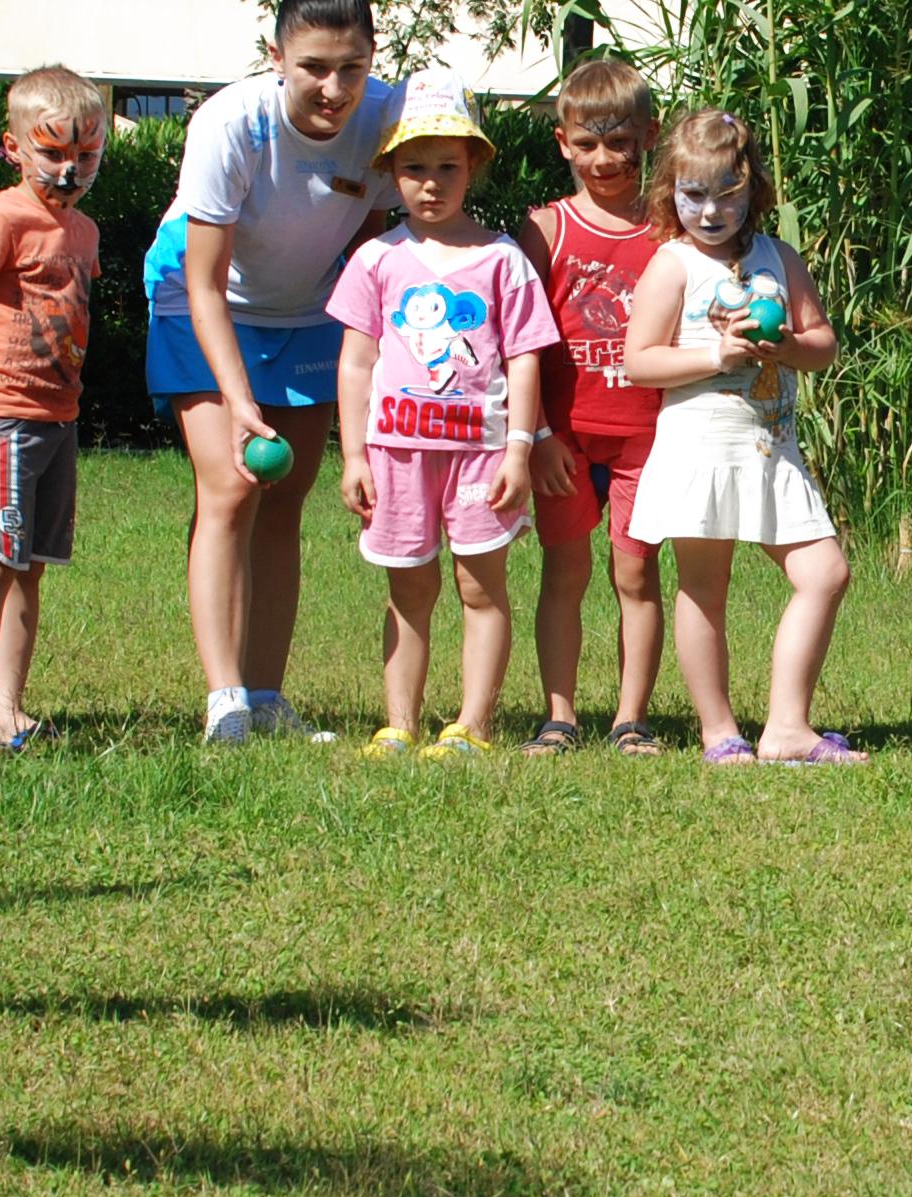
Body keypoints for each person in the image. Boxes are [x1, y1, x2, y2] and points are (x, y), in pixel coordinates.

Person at [141, 0, 404, 744]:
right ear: (276, 55)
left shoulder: (389, 116)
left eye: (350, 67)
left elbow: (377, 241)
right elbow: (204, 281)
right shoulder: (230, 125)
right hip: (200, 303)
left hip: (309, 312)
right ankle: (223, 701)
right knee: (230, 486)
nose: (333, 87)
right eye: (313, 68)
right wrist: (238, 398)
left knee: (285, 499)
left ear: (371, 58)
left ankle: (264, 696)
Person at [620, 109, 860, 764]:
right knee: (705, 586)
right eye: (694, 193)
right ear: (671, 190)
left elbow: (822, 346)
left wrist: (783, 344)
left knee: (826, 572)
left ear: (753, 188)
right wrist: (717, 358)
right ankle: (718, 731)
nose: (711, 209)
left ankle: (787, 728)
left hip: (770, 444)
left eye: (728, 191)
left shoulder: (776, 257)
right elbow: (639, 361)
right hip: (701, 441)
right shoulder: (672, 265)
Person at [329, 76, 560, 756]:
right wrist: (352, 455)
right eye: (413, 168)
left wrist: (519, 450)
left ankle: (474, 725)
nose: (431, 184)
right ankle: (399, 723)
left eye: (447, 168)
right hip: (395, 453)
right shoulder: (376, 259)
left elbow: (524, 360)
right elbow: (356, 362)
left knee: (479, 586)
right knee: (410, 590)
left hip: (483, 456)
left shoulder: (503, 261)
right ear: (390, 173)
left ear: (475, 166)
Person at [0, 66, 108, 754]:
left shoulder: (84, 232)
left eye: (86, 155)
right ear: (14, 149)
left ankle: (8, 708)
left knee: (29, 565)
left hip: (56, 417)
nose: (70, 170)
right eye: (54, 153)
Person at [516, 57, 669, 753]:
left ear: (649, 136)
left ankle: (631, 718)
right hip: (564, 440)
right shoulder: (544, 230)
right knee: (566, 570)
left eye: (619, 142)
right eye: (586, 144)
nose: (603, 159)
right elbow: (516, 344)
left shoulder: (671, 228)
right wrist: (537, 435)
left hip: (650, 436)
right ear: (563, 143)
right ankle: (560, 715)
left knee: (636, 572)